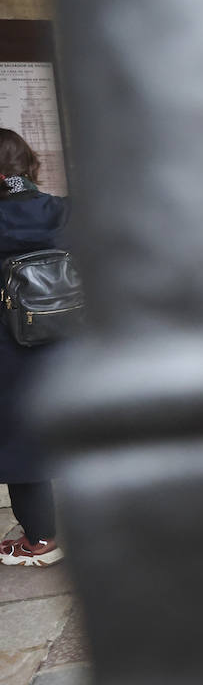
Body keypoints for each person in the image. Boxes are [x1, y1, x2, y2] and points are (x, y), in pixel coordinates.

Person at [0, 129, 68, 567]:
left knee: (19, 443)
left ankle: (41, 540)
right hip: (67, 343)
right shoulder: (61, 211)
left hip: (9, 349)